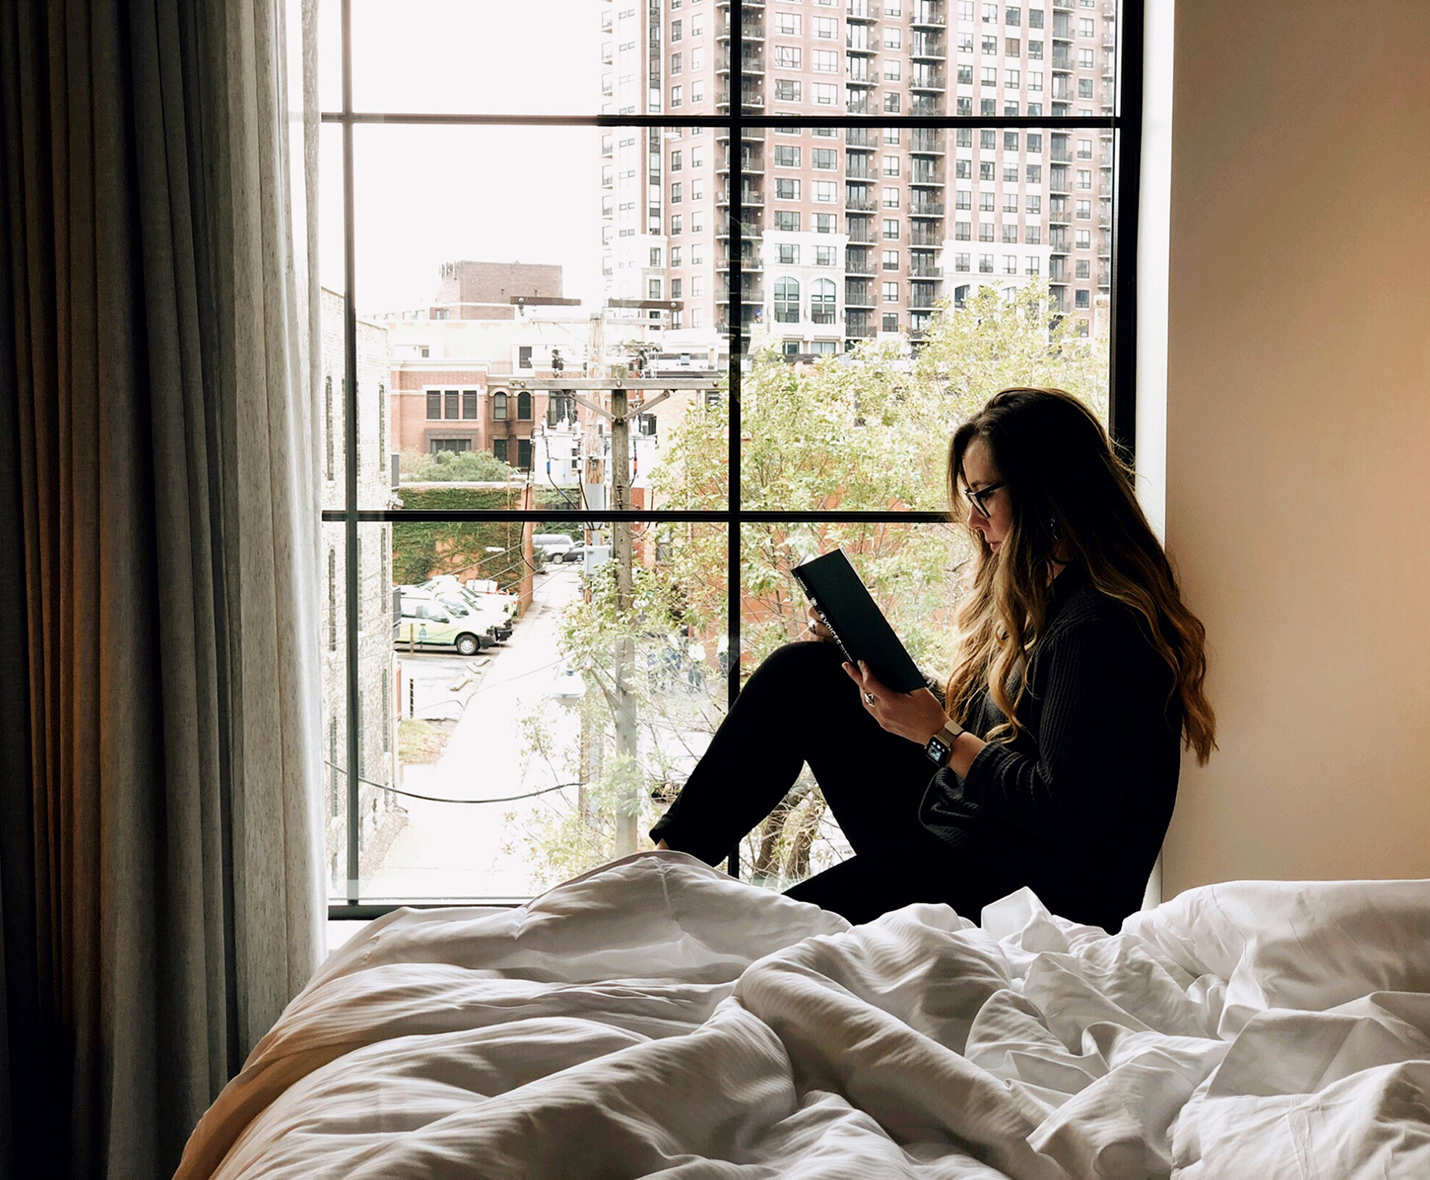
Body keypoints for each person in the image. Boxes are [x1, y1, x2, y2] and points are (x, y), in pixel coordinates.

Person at [650, 387, 1217, 930]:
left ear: (1048, 488)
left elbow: (1064, 811)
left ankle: (658, 899)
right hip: (970, 833)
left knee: (766, 932)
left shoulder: (1102, 628)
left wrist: (939, 734)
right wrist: (883, 674)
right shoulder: (1046, 595)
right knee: (806, 676)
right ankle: (662, 875)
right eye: (970, 497)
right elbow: (1008, 729)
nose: (973, 518)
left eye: (984, 494)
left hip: (1025, 890)